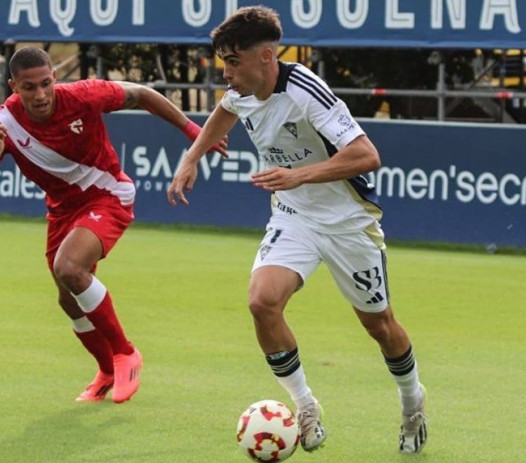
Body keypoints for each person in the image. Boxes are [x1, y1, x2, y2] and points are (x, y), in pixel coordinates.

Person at [167, 6, 427, 454]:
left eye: (233, 61)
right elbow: (225, 112)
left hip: (348, 222)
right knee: (261, 301)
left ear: (266, 57)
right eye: (223, 61)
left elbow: (367, 156)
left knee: (380, 326)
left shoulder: (306, 91)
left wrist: (300, 174)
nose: (225, 72)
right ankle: (305, 407)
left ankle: (412, 402)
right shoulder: (241, 89)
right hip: (293, 215)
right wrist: (192, 158)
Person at [0, 46, 226, 404]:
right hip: (62, 211)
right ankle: (105, 371)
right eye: (28, 87)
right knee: (69, 299)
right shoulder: (0, 125)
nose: (39, 95)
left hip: (109, 194)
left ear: (54, 77)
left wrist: (194, 130)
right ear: (13, 86)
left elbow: (143, 94)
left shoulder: (82, 96)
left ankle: (125, 353)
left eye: (45, 84)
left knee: (69, 267)